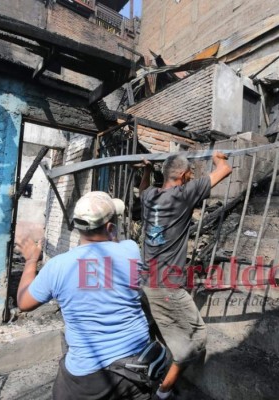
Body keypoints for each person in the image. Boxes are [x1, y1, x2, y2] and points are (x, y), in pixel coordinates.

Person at [17, 191, 167, 400]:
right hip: (137, 369)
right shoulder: (130, 251)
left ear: (78, 227)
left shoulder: (58, 266)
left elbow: (24, 302)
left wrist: (32, 260)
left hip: (88, 378)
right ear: (110, 227)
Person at [138, 152, 232, 399]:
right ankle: (163, 392)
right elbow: (225, 170)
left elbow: (142, 188)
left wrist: (146, 170)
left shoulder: (149, 197)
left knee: (158, 330)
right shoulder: (183, 194)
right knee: (195, 339)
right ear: (181, 175)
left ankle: (154, 373)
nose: (192, 176)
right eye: (190, 173)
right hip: (166, 286)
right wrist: (218, 158)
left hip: (145, 281)